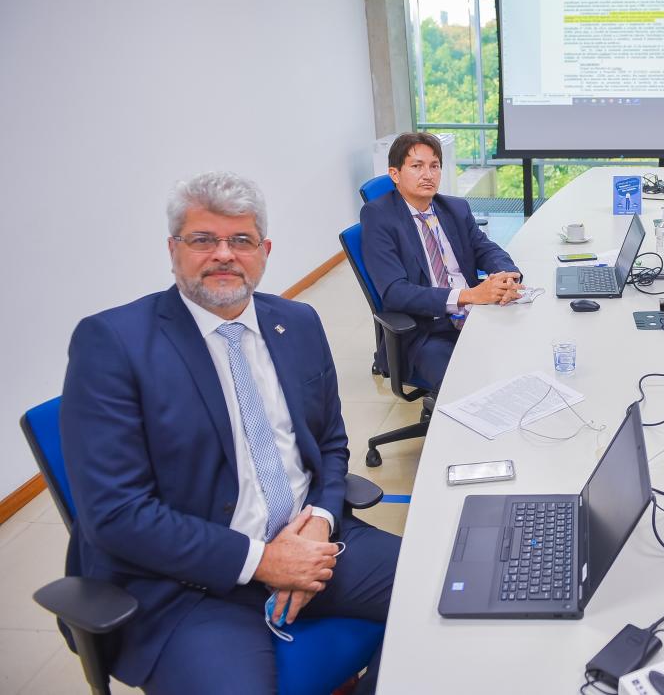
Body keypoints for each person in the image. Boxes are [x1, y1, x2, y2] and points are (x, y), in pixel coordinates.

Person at [60, 172, 400, 694]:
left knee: (452, 596)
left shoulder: (298, 322)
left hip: (312, 544)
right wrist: (264, 560)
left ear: (264, 251)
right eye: (203, 240)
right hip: (188, 587)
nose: (224, 254)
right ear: (173, 249)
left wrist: (322, 521)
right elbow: (116, 514)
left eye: (240, 240)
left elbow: (330, 444)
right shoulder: (112, 345)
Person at [361, 132, 522, 388]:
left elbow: (486, 249)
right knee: (468, 389)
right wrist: (468, 295)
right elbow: (394, 292)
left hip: (477, 314)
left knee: (527, 356)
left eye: (434, 166)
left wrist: (508, 276)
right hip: (426, 332)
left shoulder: (455, 208)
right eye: (417, 166)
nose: (428, 174)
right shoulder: (379, 217)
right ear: (395, 174)